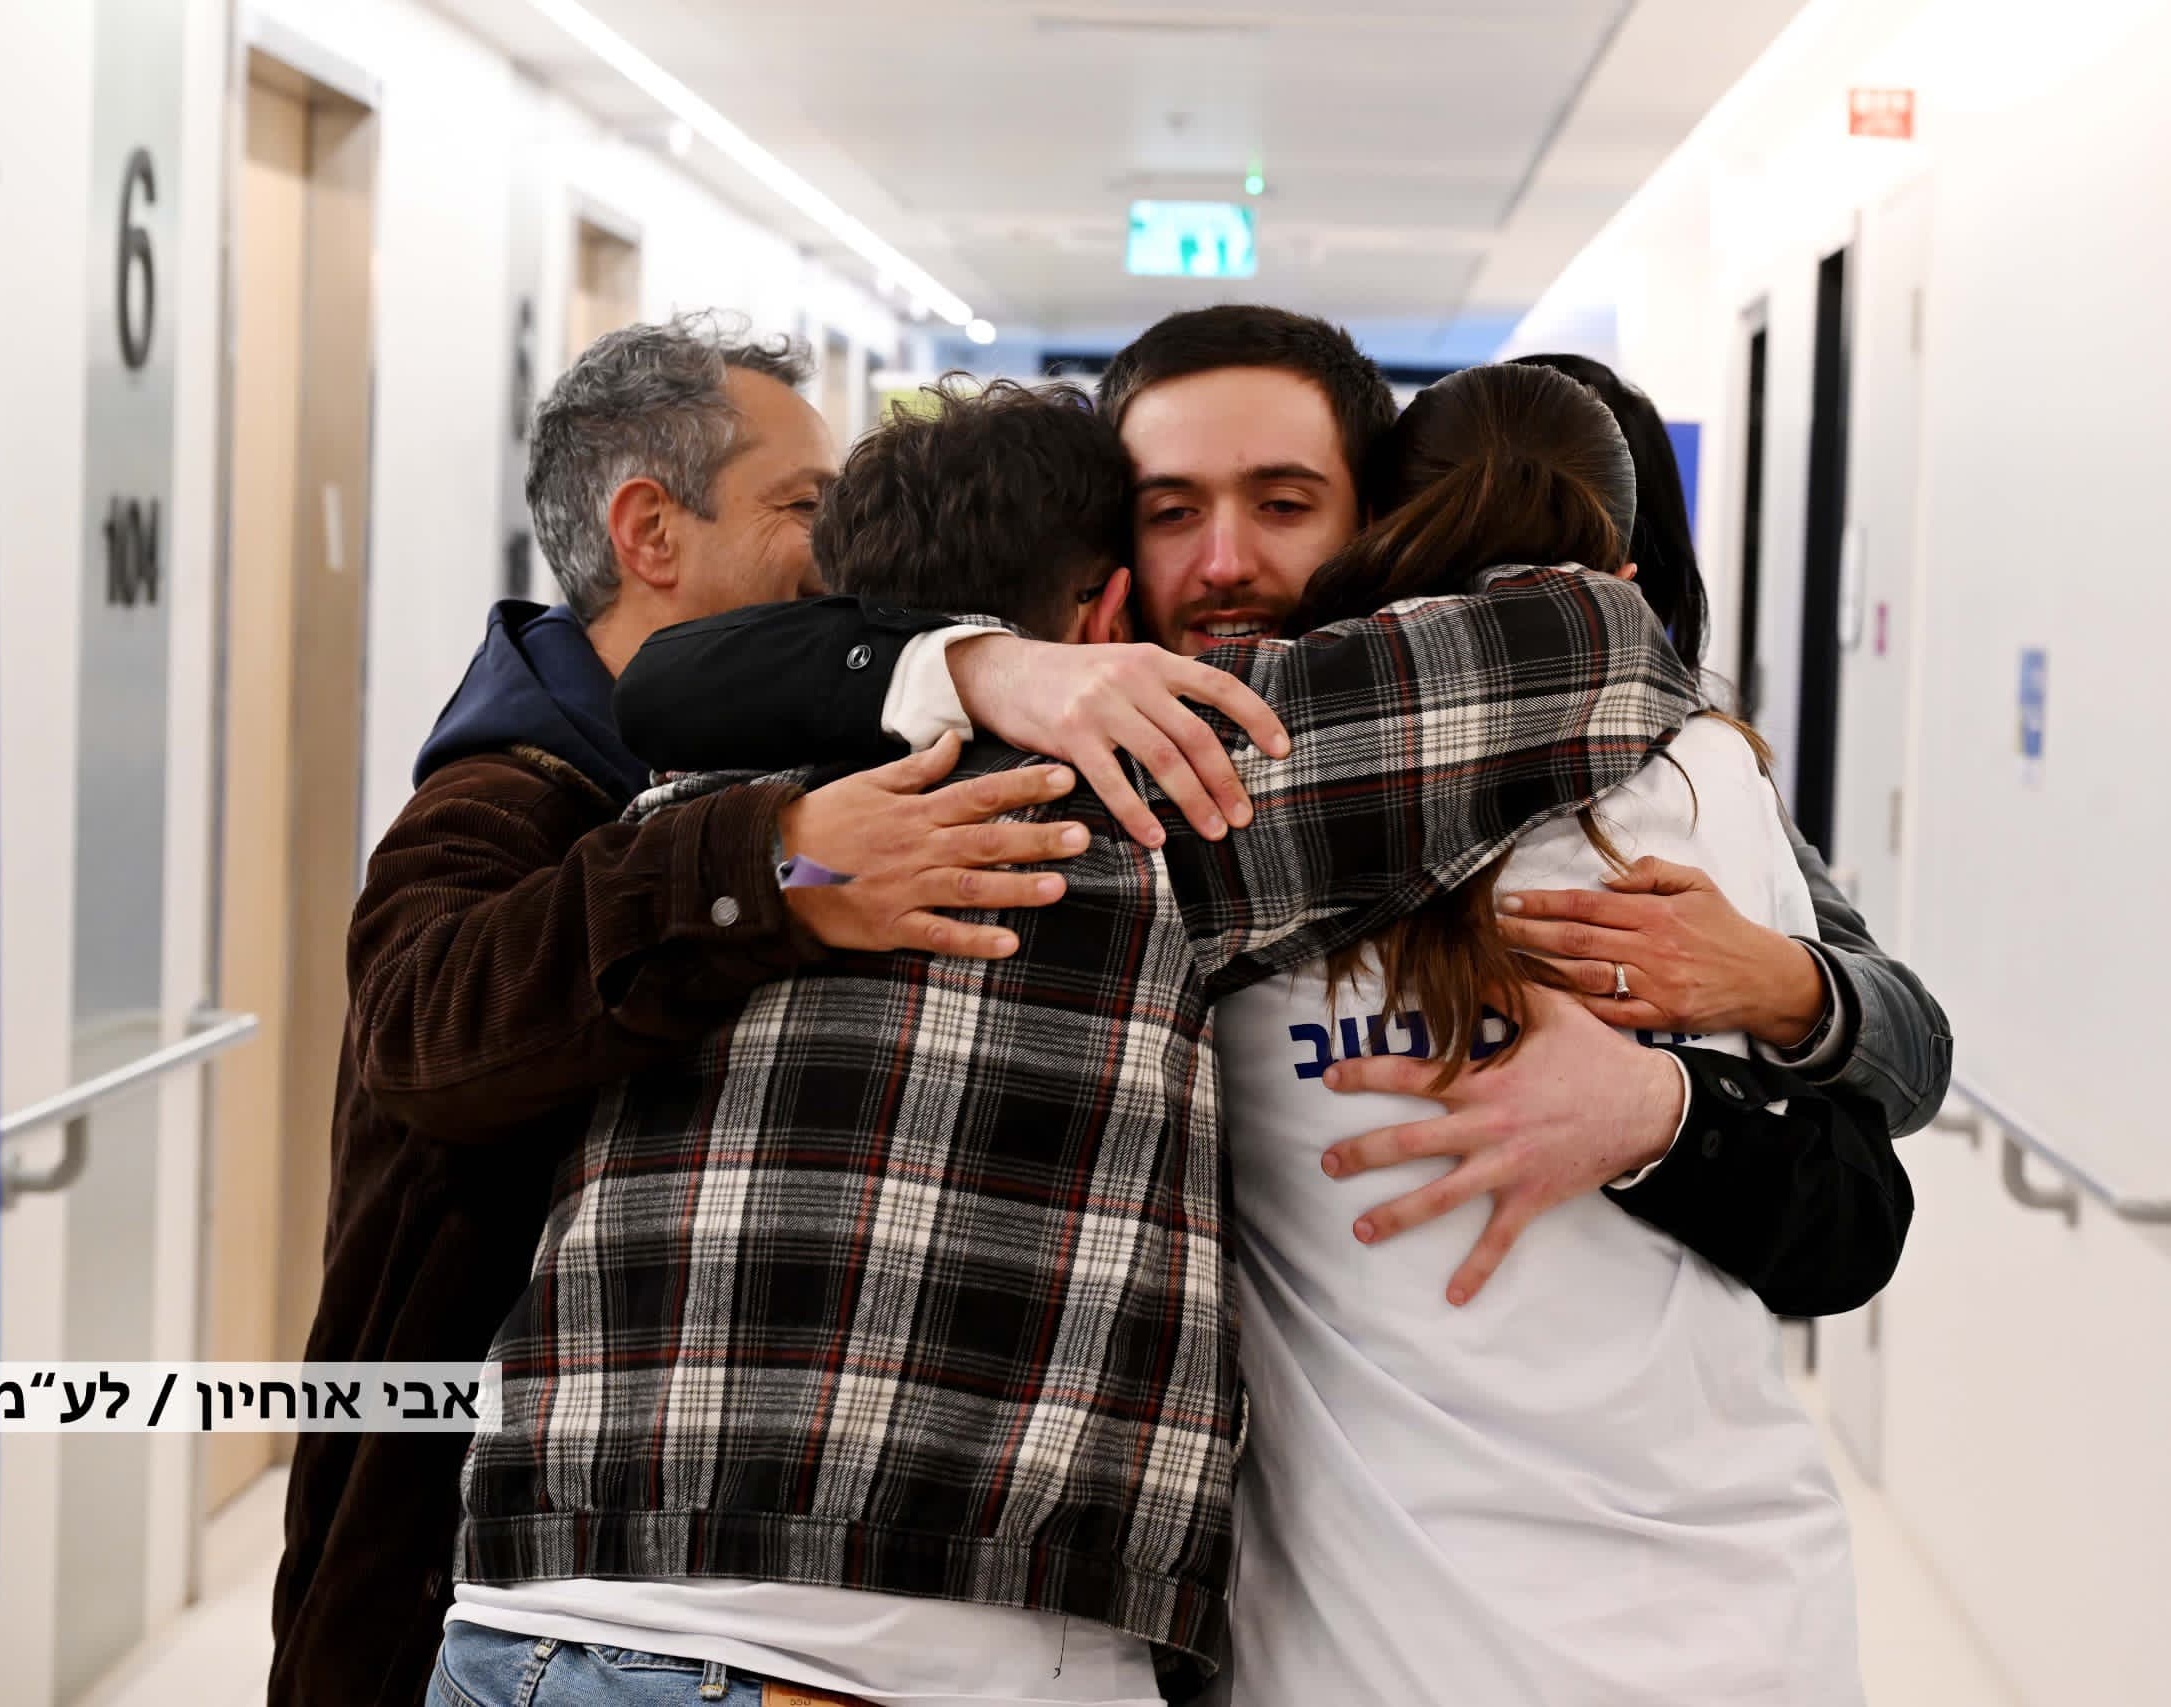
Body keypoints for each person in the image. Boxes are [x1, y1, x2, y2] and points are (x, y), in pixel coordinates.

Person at [433, 378, 1718, 1707]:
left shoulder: (675, 817)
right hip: (868, 1655)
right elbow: (1595, 645)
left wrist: (950, 664)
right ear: (1110, 615)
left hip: (523, 1614)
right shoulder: (1127, 797)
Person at [269, 317, 1271, 1707]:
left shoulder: (791, 752)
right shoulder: (516, 788)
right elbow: (430, 1030)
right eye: (803, 505)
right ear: (649, 529)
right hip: (483, 1577)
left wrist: (956, 673)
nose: (839, 549)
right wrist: (785, 863)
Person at [618, 306, 1943, 1309]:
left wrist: (1766, 1004)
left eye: (1286, 502)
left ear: (1380, 520)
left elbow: (1874, 1152)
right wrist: (974, 671)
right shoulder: (1043, 782)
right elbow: (670, 688)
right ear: (1107, 551)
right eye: (1172, 509)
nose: (1229, 558)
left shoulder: (1610, 759)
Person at [1213, 362, 1877, 1704]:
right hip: (1741, 1620)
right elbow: (1872, 1166)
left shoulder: (1229, 791)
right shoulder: (1713, 775)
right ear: (1620, 572)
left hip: (1380, 1640)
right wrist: (1676, 1099)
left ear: (1374, 537)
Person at [1482, 350, 1954, 1143]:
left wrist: (1774, 981)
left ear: (1633, 582)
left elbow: (1916, 1056)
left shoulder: (1706, 766)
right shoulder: (1317, 760)